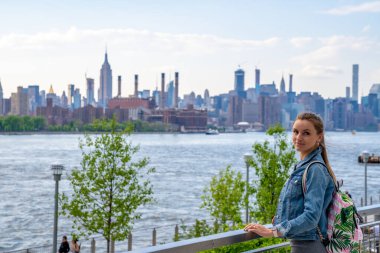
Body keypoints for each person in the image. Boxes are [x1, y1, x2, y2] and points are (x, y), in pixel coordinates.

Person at [244, 112, 336, 253]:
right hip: (301, 245)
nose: (298, 137)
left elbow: (311, 217)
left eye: (306, 133)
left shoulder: (315, 169)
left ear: (319, 136)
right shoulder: (303, 166)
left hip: (309, 246)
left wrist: (273, 232)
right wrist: (279, 221)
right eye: (295, 132)